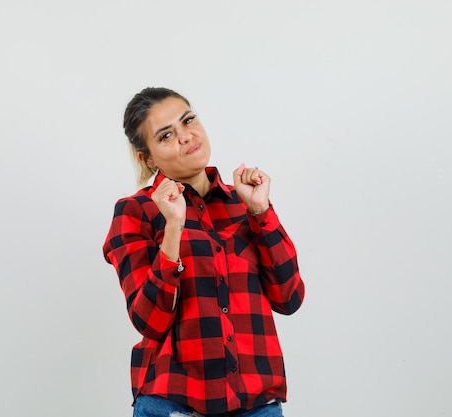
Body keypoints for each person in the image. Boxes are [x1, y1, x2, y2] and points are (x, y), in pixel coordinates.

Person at [103, 87, 305, 417]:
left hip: (256, 403)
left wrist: (260, 212)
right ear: (148, 158)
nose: (186, 137)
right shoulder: (135, 211)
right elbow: (149, 320)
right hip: (173, 402)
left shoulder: (244, 202)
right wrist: (173, 227)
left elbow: (289, 298)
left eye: (188, 120)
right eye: (166, 135)